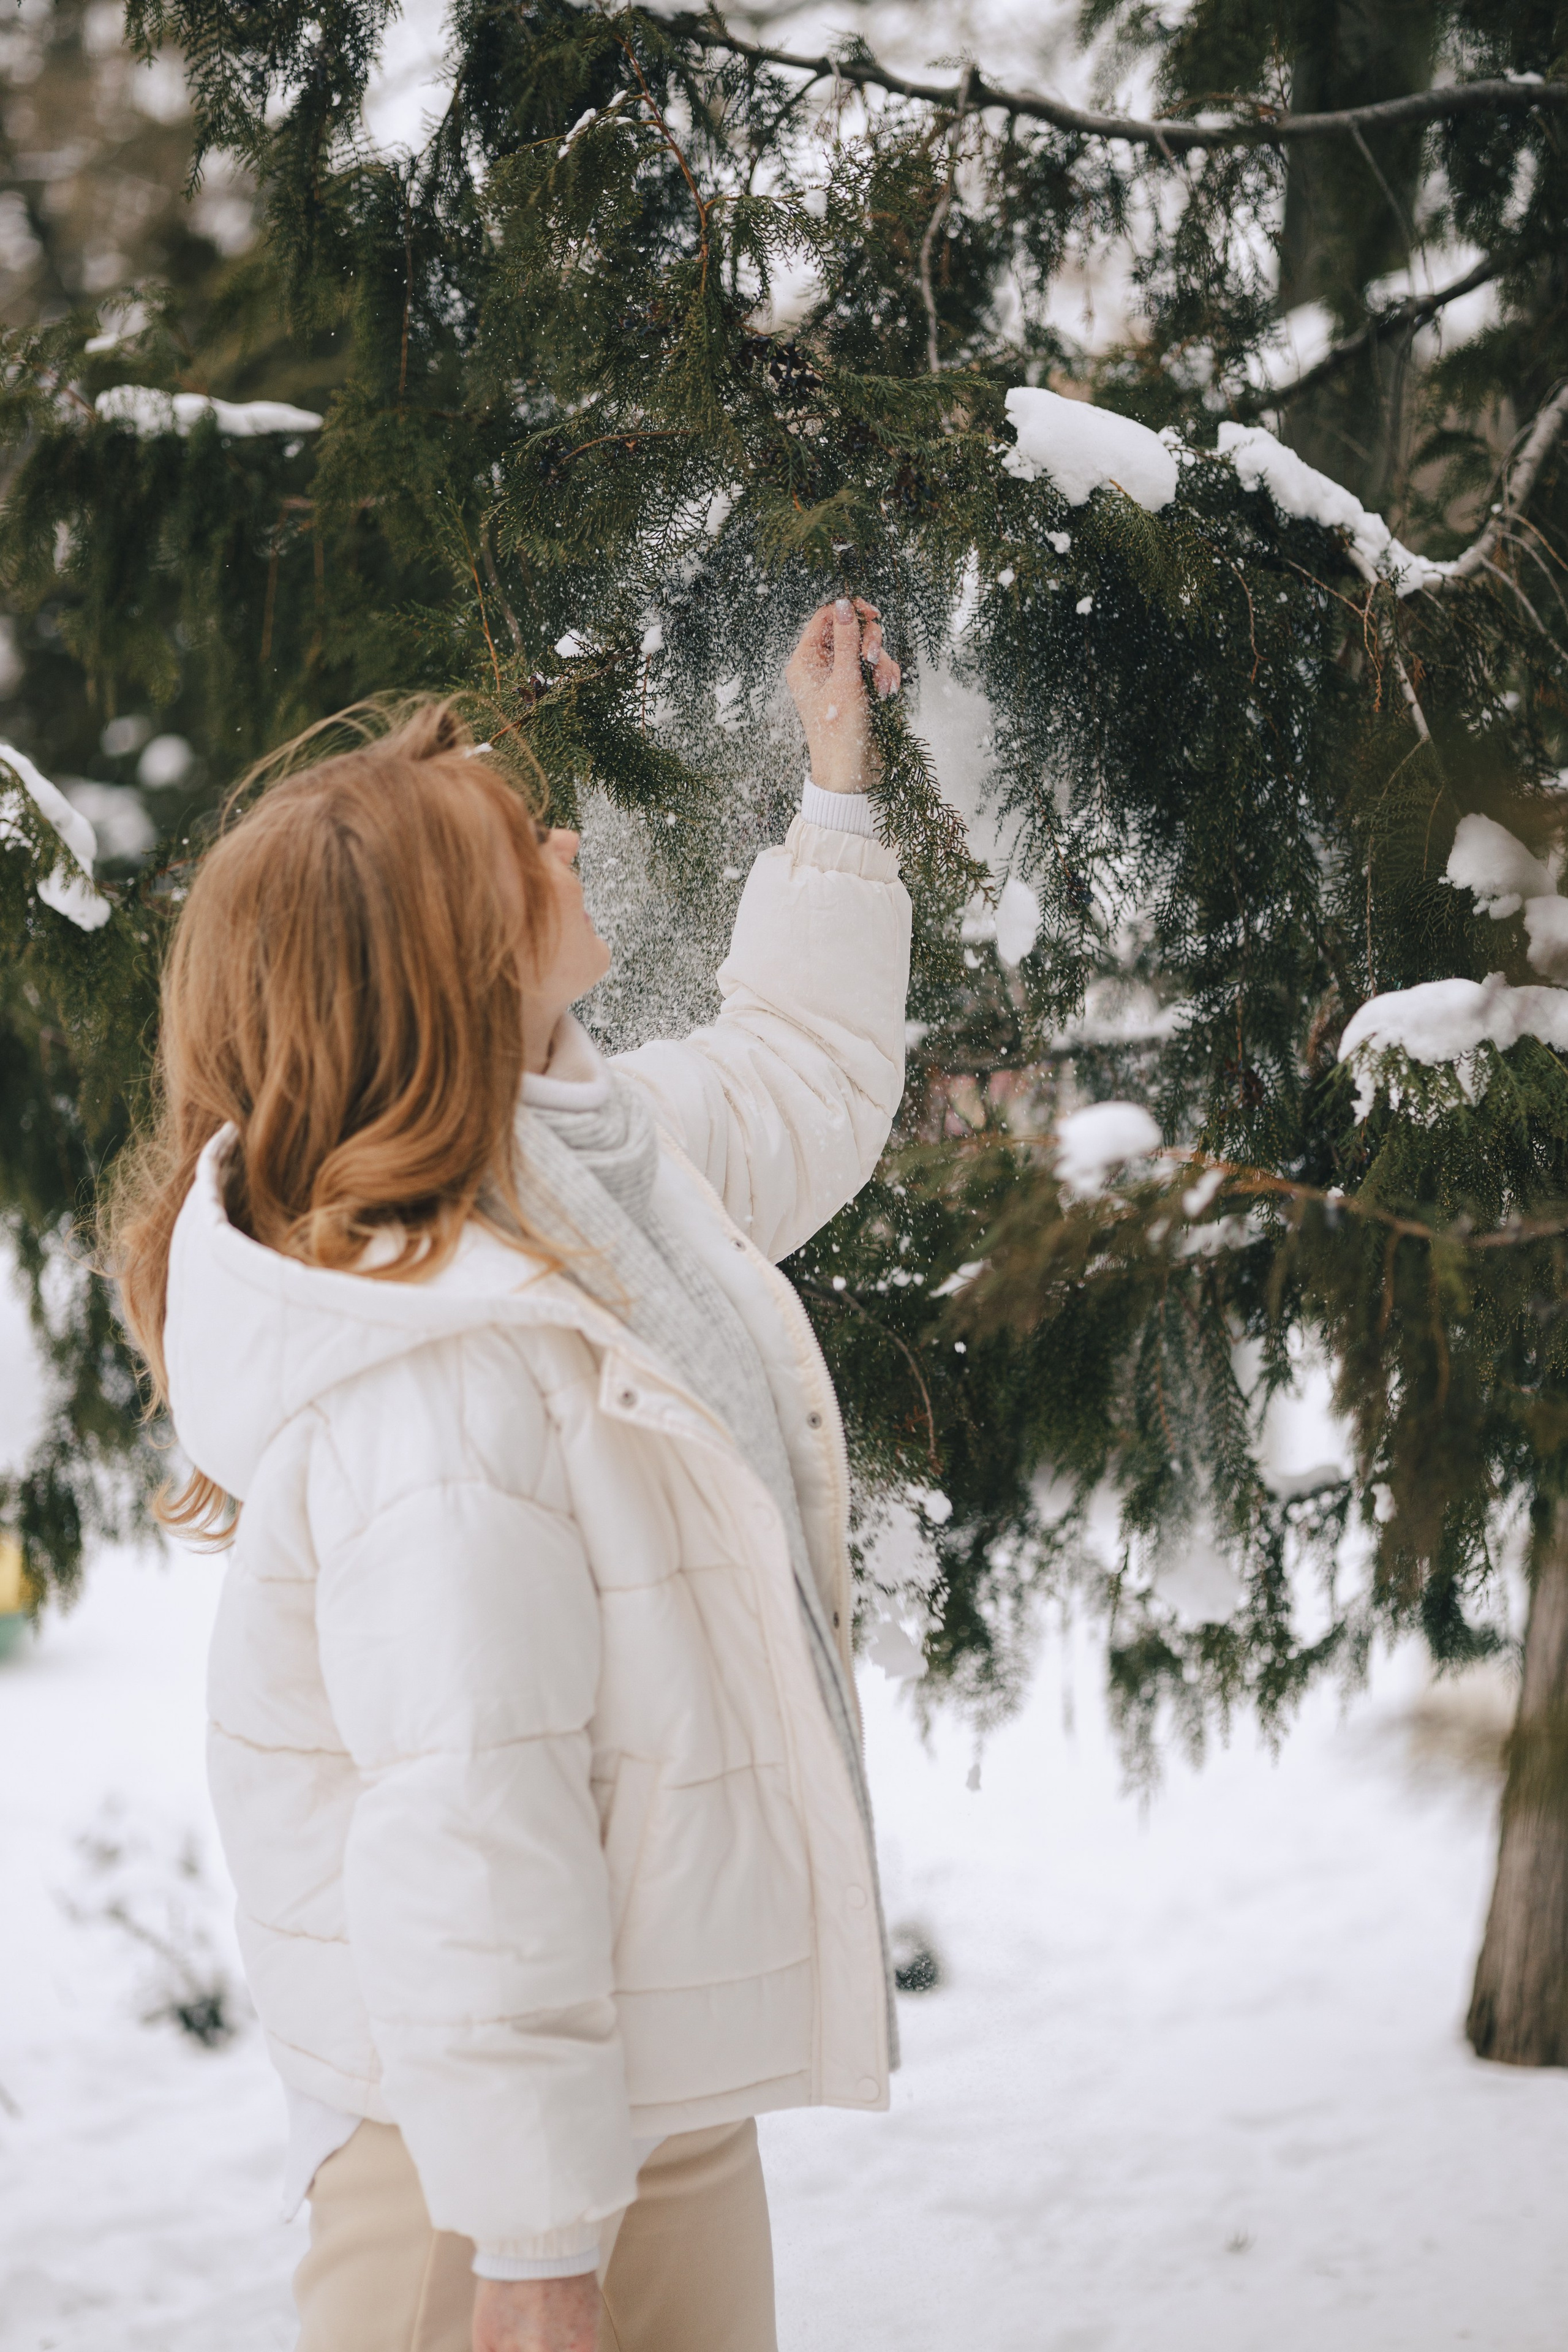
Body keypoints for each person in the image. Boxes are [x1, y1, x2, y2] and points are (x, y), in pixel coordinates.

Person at [107, 598, 912, 2352]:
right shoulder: (443, 1374)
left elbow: (799, 1080)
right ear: (455, 958)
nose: (564, 835)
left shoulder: (585, 1160)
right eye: (513, 843)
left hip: (650, 2106)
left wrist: (835, 792)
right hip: (485, 2185)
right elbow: (469, 1824)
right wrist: (535, 2252)